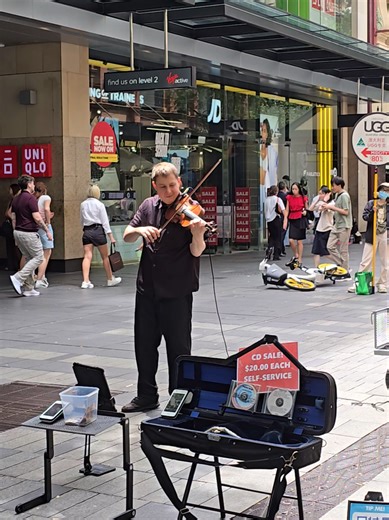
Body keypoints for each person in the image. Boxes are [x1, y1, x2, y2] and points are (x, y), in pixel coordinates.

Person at [121, 161, 207, 413]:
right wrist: (139, 229)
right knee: (144, 345)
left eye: (172, 185)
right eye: (163, 187)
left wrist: (198, 233)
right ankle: (146, 395)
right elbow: (127, 234)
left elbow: (196, 251)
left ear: (179, 182)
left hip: (177, 291)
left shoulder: (191, 210)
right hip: (147, 290)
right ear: (154, 187)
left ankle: (178, 398)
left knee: (178, 349)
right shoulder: (148, 206)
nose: (169, 191)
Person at [9, 175, 52, 297]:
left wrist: (15, 233)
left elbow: (13, 217)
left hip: (18, 232)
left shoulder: (16, 199)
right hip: (29, 232)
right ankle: (18, 277)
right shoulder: (31, 199)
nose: (34, 186)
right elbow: (37, 217)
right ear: (28, 184)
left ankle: (29, 288)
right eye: (33, 183)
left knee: (28, 258)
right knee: (39, 257)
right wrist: (46, 229)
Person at [348, 182, 389, 294]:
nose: (385, 193)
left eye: (387, 191)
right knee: (366, 261)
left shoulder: (388, 206)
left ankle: (382, 284)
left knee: (385, 262)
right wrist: (372, 212)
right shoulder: (371, 203)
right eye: (383, 190)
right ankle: (359, 283)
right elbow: (365, 217)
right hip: (372, 234)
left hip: (384, 234)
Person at [80, 185, 122, 289]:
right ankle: (110, 278)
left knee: (87, 256)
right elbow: (105, 222)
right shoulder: (100, 205)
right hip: (98, 231)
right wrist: (111, 236)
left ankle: (85, 281)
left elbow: (82, 220)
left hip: (87, 231)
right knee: (105, 257)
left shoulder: (83, 204)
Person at [322, 176, 352, 274]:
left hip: (344, 225)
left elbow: (345, 212)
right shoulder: (337, 195)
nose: (332, 187)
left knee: (343, 250)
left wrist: (332, 207)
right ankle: (342, 264)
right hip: (337, 225)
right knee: (329, 246)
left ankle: (345, 270)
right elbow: (337, 208)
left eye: (333, 185)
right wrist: (328, 207)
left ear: (339, 185)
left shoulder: (344, 196)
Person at [34, 182, 54, 289]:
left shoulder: (34, 200)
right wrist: (48, 222)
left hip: (35, 227)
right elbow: (46, 209)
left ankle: (39, 276)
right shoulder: (46, 197)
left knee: (38, 252)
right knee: (46, 253)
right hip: (44, 227)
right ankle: (40, 278)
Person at [283, 182, 308, 265]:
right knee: (291, 240)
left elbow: (307, 209)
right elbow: (287, 209)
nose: (294, 191)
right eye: (293, 189)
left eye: (296, 189)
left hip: (300, 218)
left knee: (299, 241)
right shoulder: (289, 197)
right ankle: (296, 253)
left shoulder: (303, 198)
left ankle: (300, 258)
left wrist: (305, 212)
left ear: (299, 189)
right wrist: (285, 220)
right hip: (292, 218)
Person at [310, 187, 334, 267]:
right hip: (319, 228)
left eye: (321, 194)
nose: (319, 195)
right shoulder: (321, 202)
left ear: (326, 194)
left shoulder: (332, 203)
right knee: (316, 251)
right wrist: (317, 200)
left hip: (327, 229)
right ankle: (316, 269)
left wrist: (324, 200)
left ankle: (342, 262)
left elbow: (321, 209)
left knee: (326, 251)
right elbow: (311, 208)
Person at [1, 183, 21, 271]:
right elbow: (8, 213)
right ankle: (16, 265)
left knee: (11, 247)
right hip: (14, 227)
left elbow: (7, 213)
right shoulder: (16, 200)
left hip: (12, 227)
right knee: (15, 247)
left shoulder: (13, 200)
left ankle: (12, 264)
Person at [265, 185, 285, 261]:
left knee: (272, 236)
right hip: (276, 219)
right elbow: (283, 209)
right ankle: (276, 254)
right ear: (276, 192)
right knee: (278, 237)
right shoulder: (277, 199)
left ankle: (269, 249)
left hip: (269, 220)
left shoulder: (267, 199)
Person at [277, 181, 288, 256]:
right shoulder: (285, 197)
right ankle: (280, 249)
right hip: (284, 216)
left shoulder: (277, 196)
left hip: (277, 217)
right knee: (282, 234)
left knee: (279, 234)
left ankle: (281, 249)